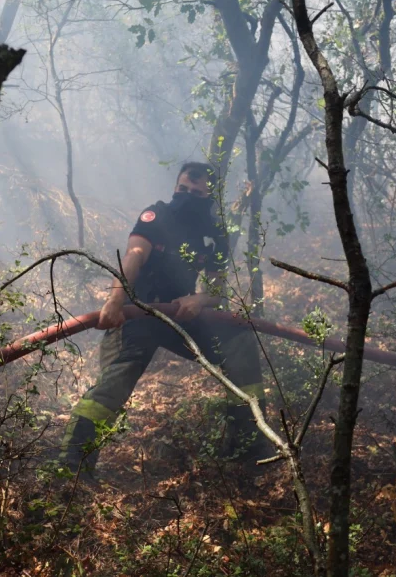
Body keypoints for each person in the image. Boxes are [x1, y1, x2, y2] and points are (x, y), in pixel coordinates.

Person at [56, 162, 268, 478]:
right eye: (182, 189)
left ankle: (247, 448)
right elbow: (135, 256)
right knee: (117, 381)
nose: (186, 196)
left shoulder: (214, 233)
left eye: (196, 192)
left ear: (210, 196)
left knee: (238, 342)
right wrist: (115, 300)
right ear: (174, 187)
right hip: (135, 313)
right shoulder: (155, 216)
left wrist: (198, 299)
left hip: (178, 315)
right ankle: (73, 467)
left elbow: (216, 291)